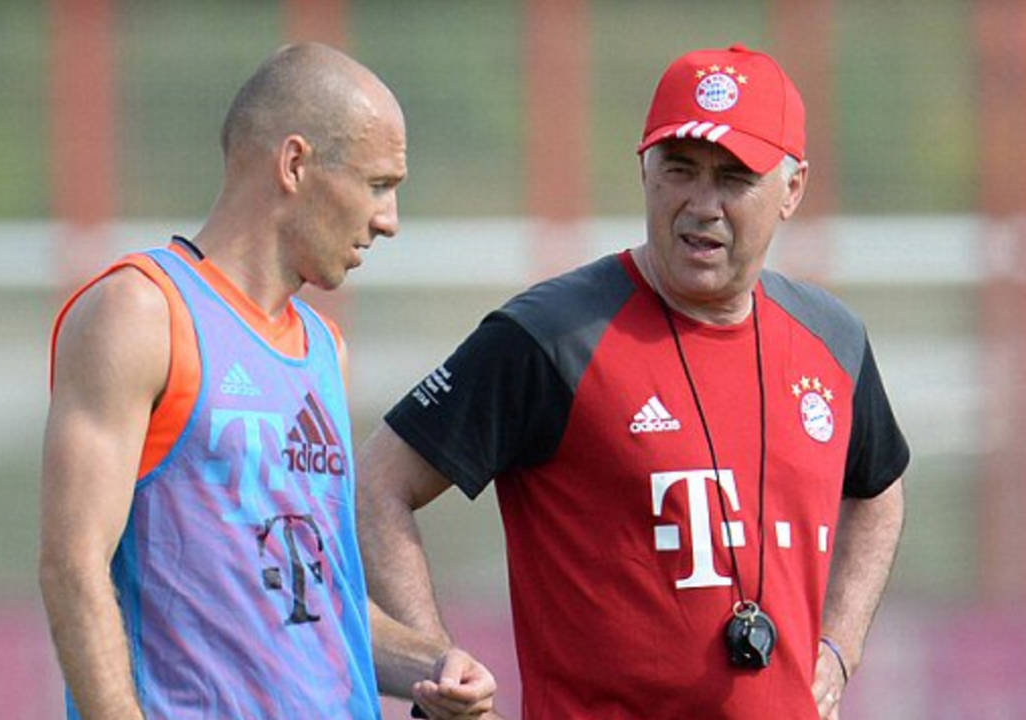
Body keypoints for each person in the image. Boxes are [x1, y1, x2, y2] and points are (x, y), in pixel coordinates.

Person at [358, 44, 908, 720]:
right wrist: (435, 664)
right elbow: (379, 483)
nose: (701, 205)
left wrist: (840, 646)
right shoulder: (553, 336)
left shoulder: (833, 339)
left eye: (733, 179)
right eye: (680, 170)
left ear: (791, 190)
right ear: (644, 170)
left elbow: (879, 489)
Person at [39, 42, 495, 720]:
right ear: (295, 163)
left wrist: (435, 664)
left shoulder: (323, 351)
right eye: (377, 185)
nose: (388, 220)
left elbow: (322, 605)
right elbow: (73, 568)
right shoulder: (143, 313)